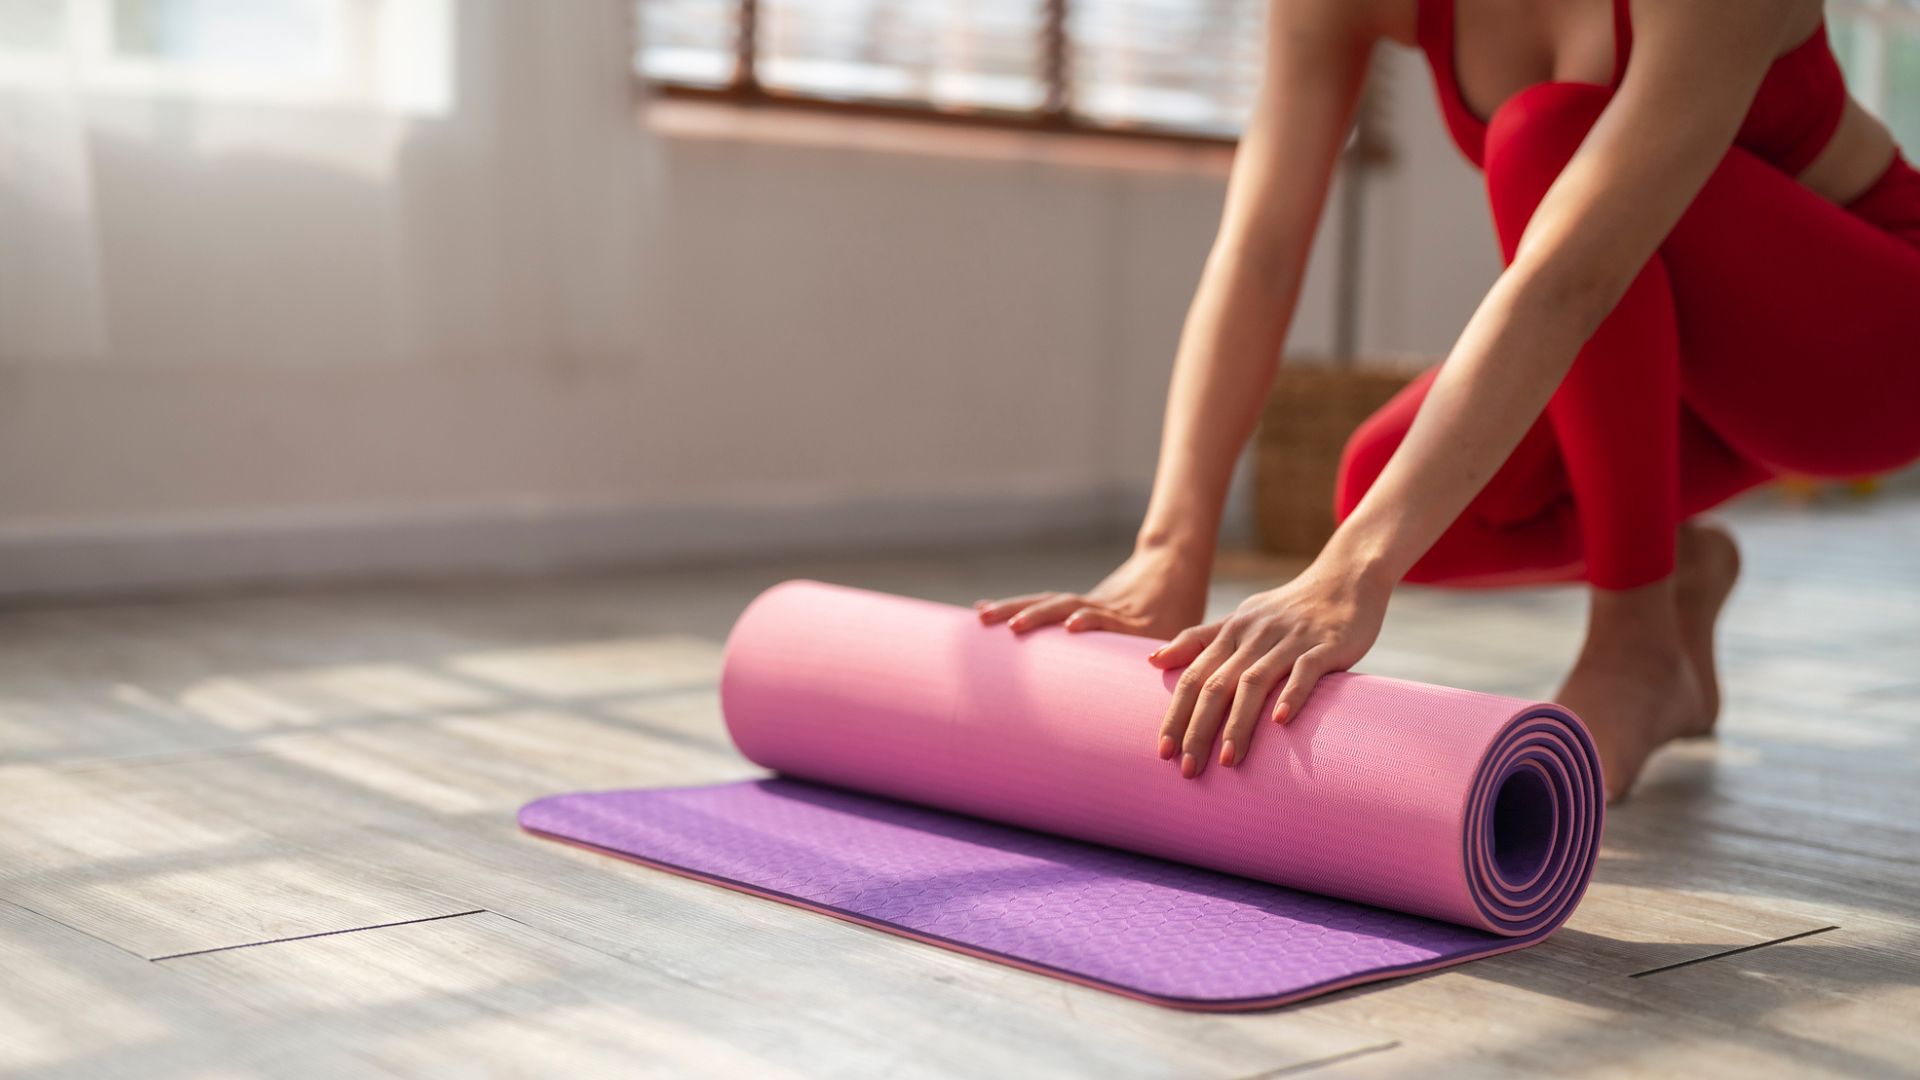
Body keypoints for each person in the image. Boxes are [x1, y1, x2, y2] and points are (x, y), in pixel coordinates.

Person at [976, 0, 1920, 800]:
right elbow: (1260, 251)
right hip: (1673, 362)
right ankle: (1676, 579)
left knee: (1547, 136)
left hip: (1870, 353)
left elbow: (1570, 271)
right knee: (1376, 486)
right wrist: (1170, 552)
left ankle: (1633, 643)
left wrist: (1351, 577)